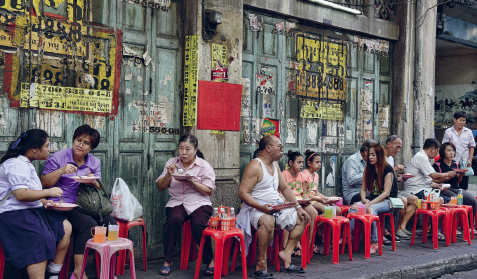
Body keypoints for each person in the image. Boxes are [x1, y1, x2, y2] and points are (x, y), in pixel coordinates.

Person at [40, 125, 117, 279]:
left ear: (91, 147)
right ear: (74, 140)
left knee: (110, 224)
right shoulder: (59, 157)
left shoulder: (94, 162)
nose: (80, 145)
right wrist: (61, 171)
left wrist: (92, 180)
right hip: (62, 204)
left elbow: (99, 187)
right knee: (88, 225)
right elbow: (43, 183)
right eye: (78, 140)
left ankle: (106, 271)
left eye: (86, 143)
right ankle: (78, 272)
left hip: (86, 204)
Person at [0, 130, 72, 279]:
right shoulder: (16, 164)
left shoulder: (26, 163)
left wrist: (43, 201)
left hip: (32, 210)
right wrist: (48, 192)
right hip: (14, 213)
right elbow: (20, 194)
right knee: (41, 239)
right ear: (34, 148)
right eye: (46, 145)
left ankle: (53, 273)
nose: (49, 149)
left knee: (65, 227)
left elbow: (29, 192)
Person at [237, 135, 311, 278]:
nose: (282, 149)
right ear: (268, 148)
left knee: (302, 218)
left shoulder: (275, 165)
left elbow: (285, 188)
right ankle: (261, 265)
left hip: (275, 207)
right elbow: (243, 193)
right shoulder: (255, 165)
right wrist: (261, 207)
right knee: (268, 221)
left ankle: (286, 254)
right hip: (255, 209)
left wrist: (298, 208)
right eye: (279, 146)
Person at [156, 134, 215, 276]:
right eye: (181, 148)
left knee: (198, 224)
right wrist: (168, 175)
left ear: (196, 150)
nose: (184, 152)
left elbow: (209, 191)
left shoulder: (204, 166)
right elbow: (161, 187)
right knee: (173, 221)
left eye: (188, 149)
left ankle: (210, 260)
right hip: (177, 201)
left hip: (199, 202)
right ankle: (168, 261)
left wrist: (193, 183)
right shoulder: (172, 162)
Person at [397, 138, 456, 239]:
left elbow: (429, 180)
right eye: (437, 151)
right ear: (432, 149)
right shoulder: (421, 157)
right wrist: (447, 174)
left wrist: (441, 182)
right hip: (415, 190)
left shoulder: (425, 158)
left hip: (423, 189)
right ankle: (432, 230)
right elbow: (434, 175)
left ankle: (406, 228)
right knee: (440, 200)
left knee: (449, 201)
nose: (436, 154)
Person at [348, 143, 396, 254]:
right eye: (369, 155)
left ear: (379, 155)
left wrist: (368, 205)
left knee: (371, 210)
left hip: (388, 201)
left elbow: (386, 193)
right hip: (372, 199)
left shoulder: (387, 169)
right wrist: (364, 201)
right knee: (353, 208)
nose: (370, 157)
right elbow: (363, 190)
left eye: (373, 155)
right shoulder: (368, 169)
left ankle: (374, 241)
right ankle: (348, 236)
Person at [301, 150, 341, 254]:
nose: (319, 164)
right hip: (310, 201)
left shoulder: (316, 175)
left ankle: (317, 225)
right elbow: (305, 194)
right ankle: (310, 241)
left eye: (320, 162)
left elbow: (317, 192)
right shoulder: (304, 175)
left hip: (316, 199)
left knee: (337, 209)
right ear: (309, 163)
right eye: (317, 162)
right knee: (328, 209)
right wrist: (320, 199)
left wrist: (327, 198)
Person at [281, 151, 318, 257]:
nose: (301, 165)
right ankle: (288, 247)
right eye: (299, 162)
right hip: (289, 202)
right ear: (291, 163)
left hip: (300, 201)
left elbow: (304, 194)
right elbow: (280, 193)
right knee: (293, 216)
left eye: (302, 162)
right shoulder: (284, 175)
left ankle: (310, 243)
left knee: (314, 213)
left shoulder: (303, 176)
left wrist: (307, 200)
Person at [433, 142, 477, 219]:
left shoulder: (455, 164)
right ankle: (453, 226)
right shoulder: (437, 164)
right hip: (443, 188)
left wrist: (460, 176)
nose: (451, 153)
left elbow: (457, 182)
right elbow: (434, 180)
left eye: (453, 150)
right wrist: (446, 177)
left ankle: (469, 226)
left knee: (472, 200)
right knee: (455, 199)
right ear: (443, 152)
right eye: (449, 150)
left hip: (455, 188)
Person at [442, 111, 476, 190]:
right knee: (452, 185)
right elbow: (444, 147)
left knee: (463, 186)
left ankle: (463, 200)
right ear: (454, 120)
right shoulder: (448, 132)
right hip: (452, 162)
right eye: (460, 120)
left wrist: (470, 159)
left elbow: (472, 146)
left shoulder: (468, 132)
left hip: (464, 163)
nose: (462, 122)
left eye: (464, 120)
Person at [384, 135, 407, 242]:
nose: (398, 150)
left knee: (401, 201)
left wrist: (399, 179)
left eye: (400, 148)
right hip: (381, 191)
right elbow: (380, 174)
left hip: (391, 191)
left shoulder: (391, 159)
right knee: (397, 201)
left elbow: (390, 177)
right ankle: (385, 231)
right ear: (388, 144)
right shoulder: (380, 157)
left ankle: (392, 229)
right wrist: (394, 169)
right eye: (397, 147)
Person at [342, 139, 377, 205]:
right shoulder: (352, 160)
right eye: (373, 154)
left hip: (366, 192)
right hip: (353, 193)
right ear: (366, 151)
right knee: (374, 200)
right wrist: (368, 174)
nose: (374, 156)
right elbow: (351, 180)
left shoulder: (370, 161)